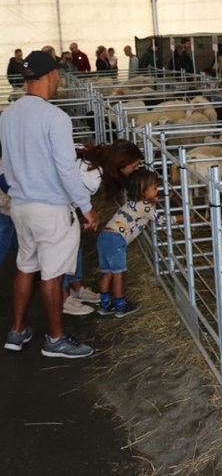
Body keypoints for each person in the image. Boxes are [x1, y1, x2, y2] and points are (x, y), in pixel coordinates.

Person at [1, 50, 99, 358]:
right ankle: (55, 339)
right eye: (57, 76)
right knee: (52, 275)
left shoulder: (7, 115)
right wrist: (86, 206)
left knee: (25, 267)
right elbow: (66, 168)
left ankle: (17, 331)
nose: (58, 81)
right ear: (50, 76)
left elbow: (7, 164)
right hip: (51, 207)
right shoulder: (56, 117)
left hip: (20, 205)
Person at [61, 140, 143, 315]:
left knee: (73, 245)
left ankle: (75, 287)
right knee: (62, 250)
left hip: (57, 203)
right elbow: (71, 195)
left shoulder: (93, 161)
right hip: (54, 206)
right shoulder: (92, 178)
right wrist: (87, 213)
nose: (135, 170)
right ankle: (64, 298)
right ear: (121, 164)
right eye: (134, 166)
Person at [97, 169, 179, 318]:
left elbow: (145, 210)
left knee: (107, 273)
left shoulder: (133, 203)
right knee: (118, 275)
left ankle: (104, 305)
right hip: (116, 240)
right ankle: (120, 307)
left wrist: (152, 200)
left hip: (104, 237)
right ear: (143, 191)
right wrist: (181, 218)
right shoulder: (145, 207)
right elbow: (163, 221)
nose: (157, 190)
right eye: (154, 188)